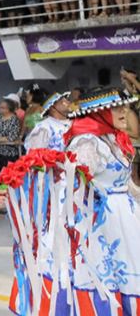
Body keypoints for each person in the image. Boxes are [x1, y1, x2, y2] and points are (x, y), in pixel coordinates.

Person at [61, 87, 140, 308]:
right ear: (99, 112)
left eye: (125, 106)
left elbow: (123, 184)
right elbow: (73, 186)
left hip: (124, 217)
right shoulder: (89, 142)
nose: (124, 111)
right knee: (105, 277)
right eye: (116, 108)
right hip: (101, 223)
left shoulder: (112, 139)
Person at [0, 95, 23, 187]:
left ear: (9, 109)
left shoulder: (14, 120)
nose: (0, 109)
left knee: (8, 176)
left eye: (3, 108)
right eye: (0, 107)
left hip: (8, 153)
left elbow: (11, 137)